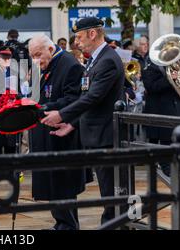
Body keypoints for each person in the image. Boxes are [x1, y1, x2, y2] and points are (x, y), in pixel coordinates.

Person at [40, 17, 125, 224]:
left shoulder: (107, 60)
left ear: (92, 34)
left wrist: (62, 115)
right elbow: (89, 99)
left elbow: (93, 97)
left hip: (106, 137)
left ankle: (114, 226)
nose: (76, 42)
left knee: (113, 194)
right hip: (95, 136)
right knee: (109, 193)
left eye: (79, 37)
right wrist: (72, 124)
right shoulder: (96, 59)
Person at [28, 35, 85, 230]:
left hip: (62, 134)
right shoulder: (40, 65)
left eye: (38, 55)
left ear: (50, 50)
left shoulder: (70, 65)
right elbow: (34, 95)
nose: (35, 60)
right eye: (32, 56)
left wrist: (45, 106)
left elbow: (74, 100)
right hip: (44, 131)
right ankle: (61, 223)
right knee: (51, 184)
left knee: (62, 184)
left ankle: (67, 225)